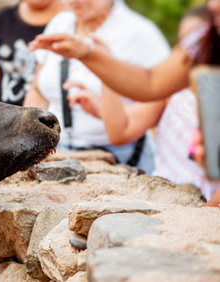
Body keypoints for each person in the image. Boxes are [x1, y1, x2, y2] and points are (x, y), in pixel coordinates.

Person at [29, 0, 220, 207]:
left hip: (184, 199)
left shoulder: (141, 33)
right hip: (166, 194)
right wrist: (94, 59)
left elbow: (143, 95)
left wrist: (201, 212)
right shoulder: (174, 96)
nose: (212, 6)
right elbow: (145, 91)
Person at [24, 0, 171, 174]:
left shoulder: (141, 34)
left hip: (121, 160)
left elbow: (155, 106)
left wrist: (104, 97)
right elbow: (38, 89)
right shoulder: (59, 23)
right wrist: (30, 138)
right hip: (57, 153)